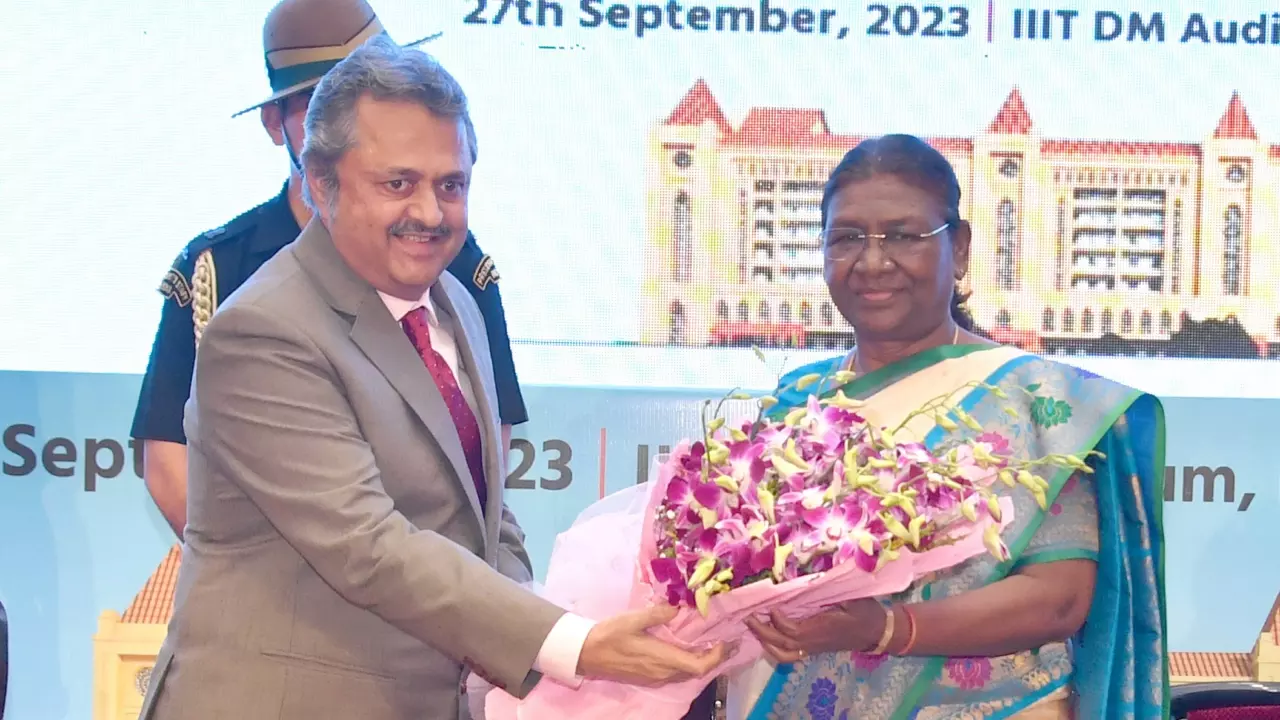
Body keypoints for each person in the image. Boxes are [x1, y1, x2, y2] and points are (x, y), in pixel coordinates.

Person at [136, 37, 729, 720]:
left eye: (451, 185)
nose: (429, 212)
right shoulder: (265, 330)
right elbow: (366, 545)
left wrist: (544, 646)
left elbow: (482, 518)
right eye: (398, 183)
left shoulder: (457, 305)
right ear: (321, 183)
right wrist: (571, 644)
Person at [729, 135, 1168, 719]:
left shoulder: (1030, 397)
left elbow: (1059, 599)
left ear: (958, 249)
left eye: (903, 236)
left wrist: (887, 628)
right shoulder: (795, 402)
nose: (872, 261)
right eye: (847, 237)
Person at [131, 0, 529, 538]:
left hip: (438, 576)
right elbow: (167, 458)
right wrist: (250, 559)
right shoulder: (219, 271)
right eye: (321, 99)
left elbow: (485, 468)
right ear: (275, 124)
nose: (346, 118)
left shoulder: (455, 264)